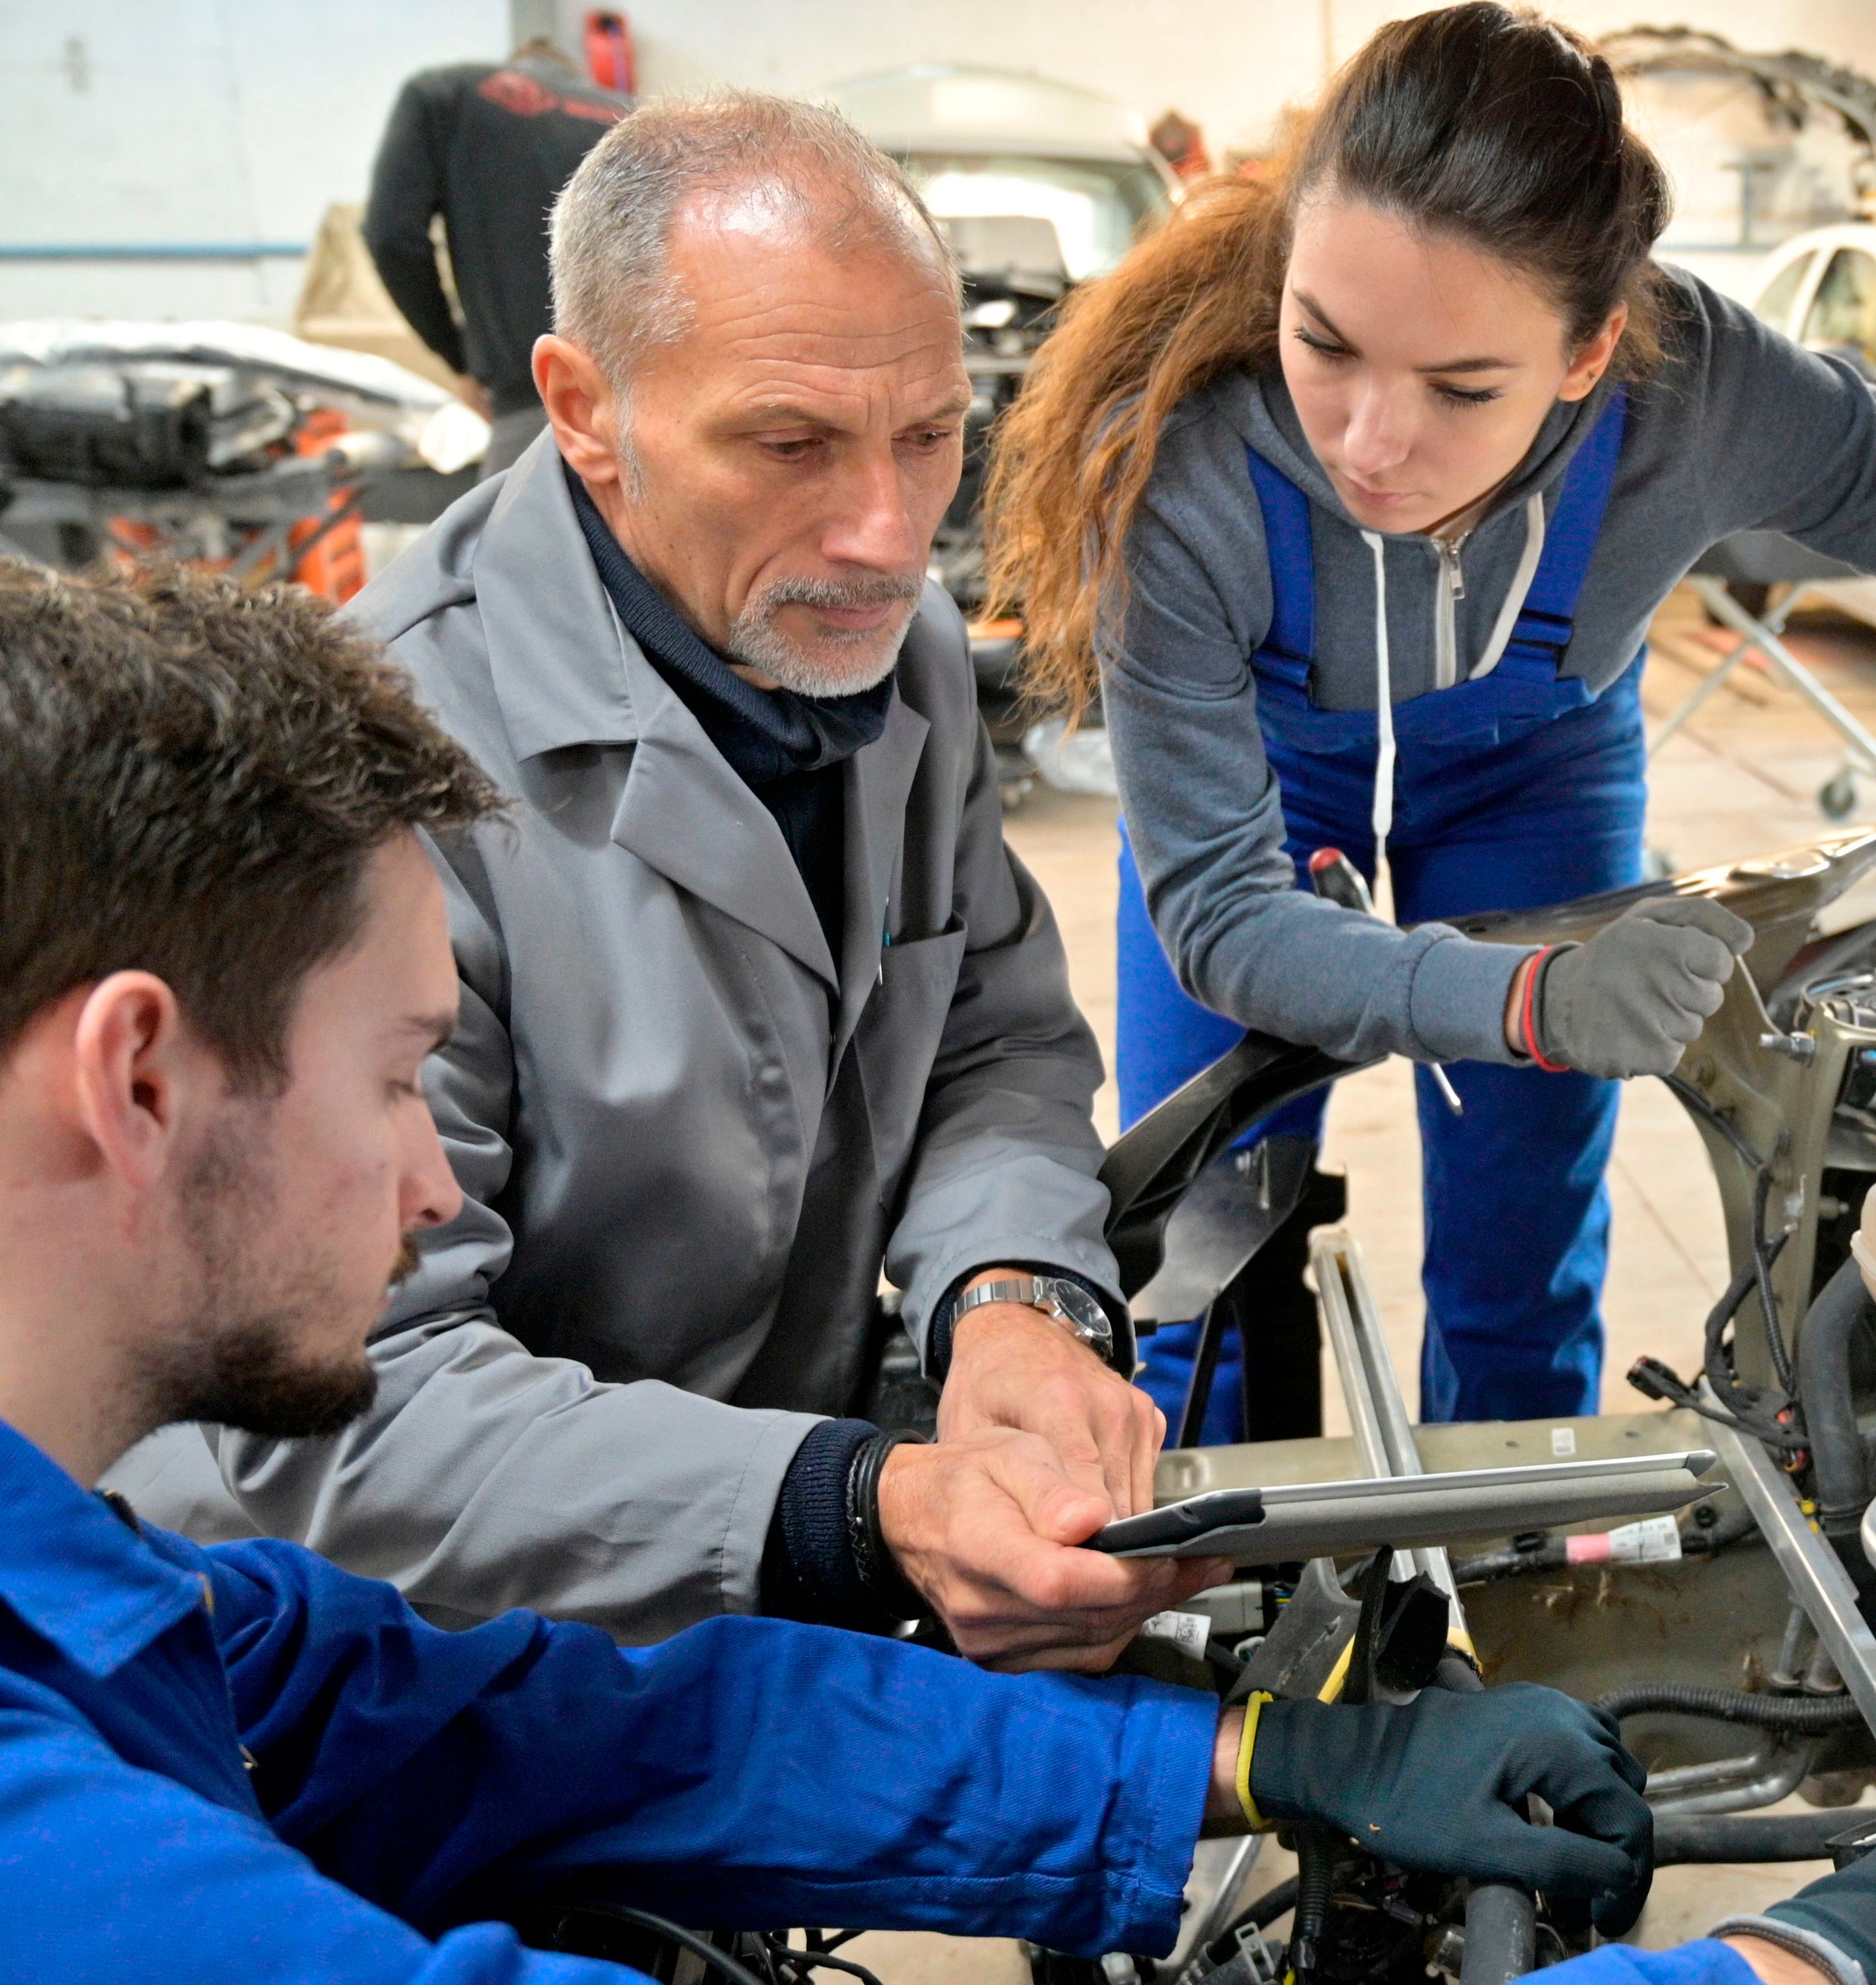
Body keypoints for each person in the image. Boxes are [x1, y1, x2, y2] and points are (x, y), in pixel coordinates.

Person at [0, 559, 1876, 1985]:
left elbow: (565, 1725)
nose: (418, 1190)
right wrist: (1797, 1963)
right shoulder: (57, 1870)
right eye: (395, 1078)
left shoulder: (105, 1588)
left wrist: (1253, 1759)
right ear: (136, 1071)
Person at [984, 4, 1876, 1434]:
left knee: (1521, 1255)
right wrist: (1524, 994)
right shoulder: (1184, 469)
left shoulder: (1706, 391)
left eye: (1460, 387)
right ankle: (1193, 1602)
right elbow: (1226, 921)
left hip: (1534, 781)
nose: (1372, 441)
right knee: (1192, 1247)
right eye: (1327, 345)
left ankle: (1514, 1578)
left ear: (1587, 350)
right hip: (1264, 778)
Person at [109, 92, 1190, 1670]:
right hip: (407, 1644)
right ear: (584, 406)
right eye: (789, 444)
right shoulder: (360, 777)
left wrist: (1011, 1295)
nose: (891, 533)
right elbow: (346, 1394)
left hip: (768, 1516)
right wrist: (846, 1502)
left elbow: (991, 1040)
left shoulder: (907, 659)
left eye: (930, 434)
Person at [363, 39, 631, 474]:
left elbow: (393, 237)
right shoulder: (630, 115)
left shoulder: (443, 94)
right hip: (647, 402)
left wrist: (459, 359)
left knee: (519, 538)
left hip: (533, 408)